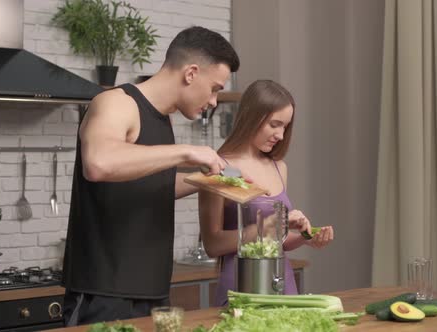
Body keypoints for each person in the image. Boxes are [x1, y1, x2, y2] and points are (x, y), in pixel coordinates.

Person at [62, 26, 240, 326]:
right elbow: (99, 163)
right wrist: (187, 152)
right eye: (215, 88)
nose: (213, 101)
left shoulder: (162, 119)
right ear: (191, 73)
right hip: (104, 294)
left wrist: (211, 180)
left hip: (153, 292)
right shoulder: (117, 103)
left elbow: (149, 184)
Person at [198, 80, 335, 306]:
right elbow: (213, 244)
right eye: (274, 124)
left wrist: (303, 236)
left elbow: (277, 240)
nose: (280, 135)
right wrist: (273, 224)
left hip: (283, 283)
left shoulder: (279, 167)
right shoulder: (218, 167)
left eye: (285, 127)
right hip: (243, 288)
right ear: (252, 117)